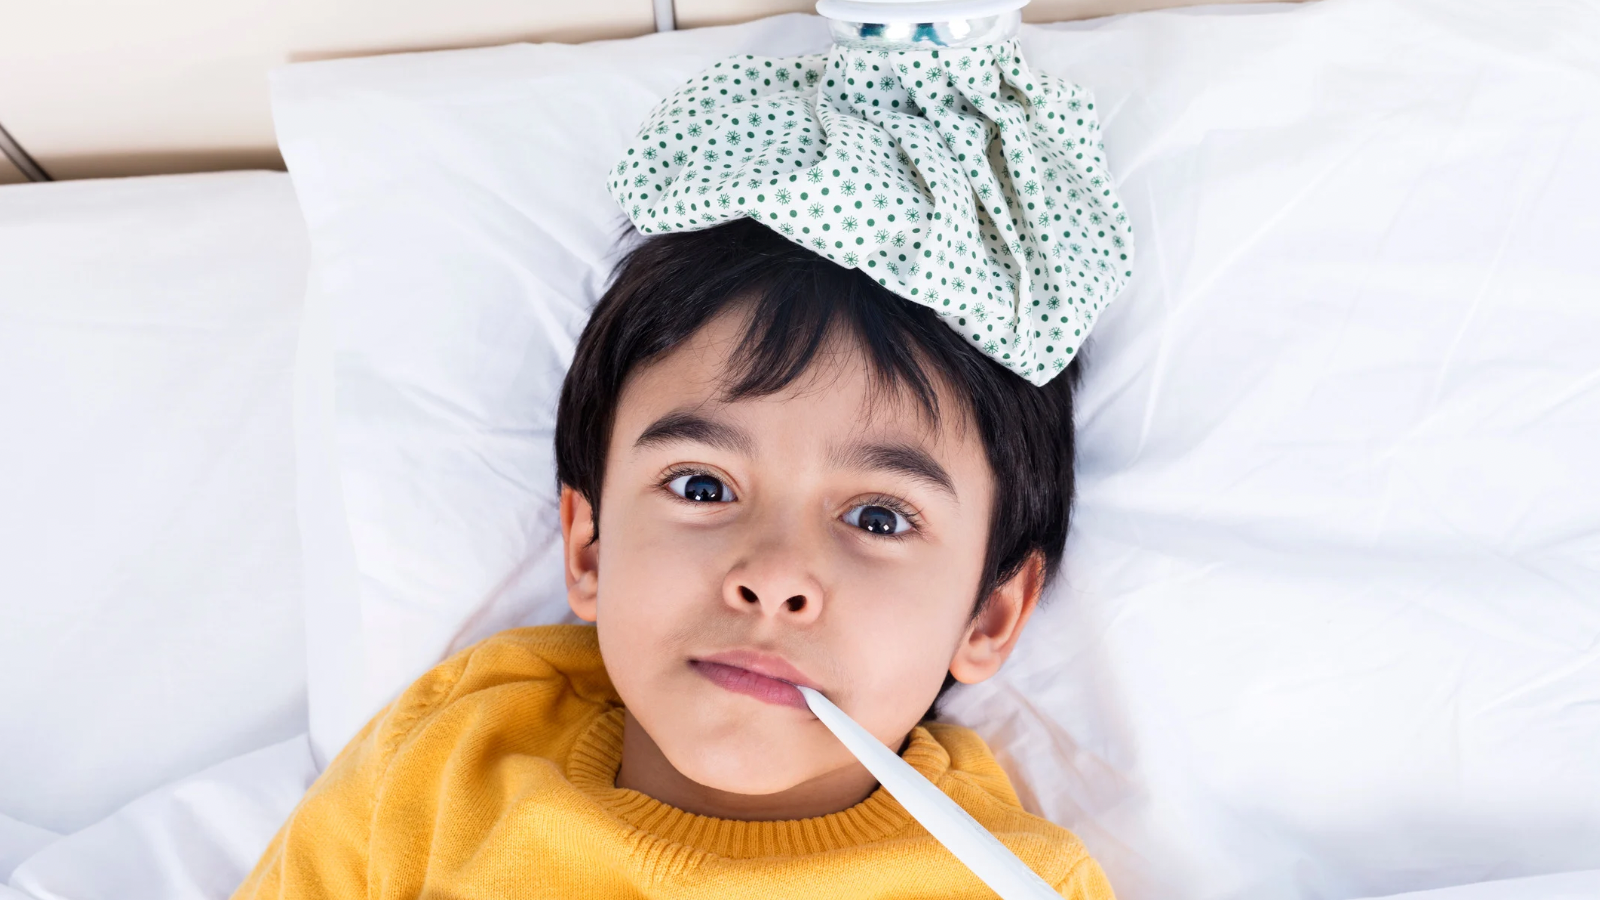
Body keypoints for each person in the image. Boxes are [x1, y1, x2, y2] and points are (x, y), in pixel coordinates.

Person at [235, 23, 1132, 899]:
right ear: (588, 546)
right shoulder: (449, 765)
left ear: (990, 615)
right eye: (703, 487)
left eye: (878, 518)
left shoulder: (1014, 883)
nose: (773, 579)